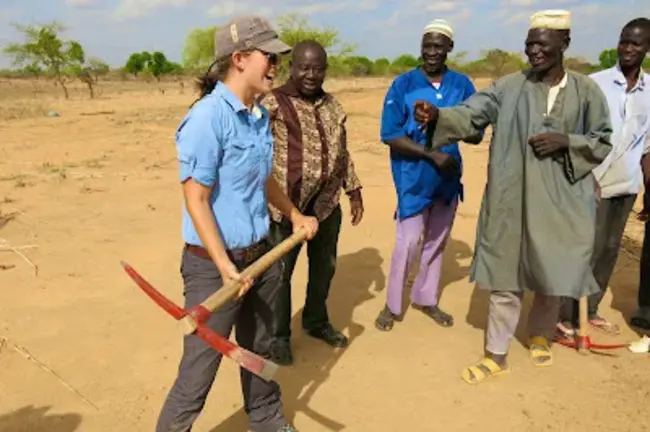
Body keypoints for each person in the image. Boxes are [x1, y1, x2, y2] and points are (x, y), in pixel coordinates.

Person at [413, 9, 613, 384]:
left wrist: (566, 141)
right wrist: (439, 116)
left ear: (564, 44)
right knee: (505, 273)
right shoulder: (508, 87)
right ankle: (497, 352)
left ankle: (541, 332)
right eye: (529, 44)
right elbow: (473, 113)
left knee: (551, 271)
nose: (534, 51)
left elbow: (602, 140)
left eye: (542, 44)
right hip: (512, 197)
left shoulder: (587, 91)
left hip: (561, 200)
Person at [155, 16, 318, 432]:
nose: (276, 65)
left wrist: (295, 214)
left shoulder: (258, 117)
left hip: (260, 259)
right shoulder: (207, 118)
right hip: (214, 269)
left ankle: (266, 420)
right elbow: (196, 197)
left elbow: (263, 179)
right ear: (240, 58)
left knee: (259, 350)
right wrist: (224, 263)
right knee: (200, 367)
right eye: (270, 56)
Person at [258, 40, 364, 365]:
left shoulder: (333, 105)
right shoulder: (271, 103)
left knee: (324, 269)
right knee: (279, 276)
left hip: (326, 207)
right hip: (284, 210)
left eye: (317, 68)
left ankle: (315, 321)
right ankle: (278, 337)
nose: (310, 74)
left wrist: (354, 189)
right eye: (304, 67)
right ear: (292, 68)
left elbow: (341, 151)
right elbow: (253, 153)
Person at [374, 19, 480, 332]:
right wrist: (430, 154)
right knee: (408, 242)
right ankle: (392, 304)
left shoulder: (462, 85)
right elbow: (390, 134)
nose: (432, 52)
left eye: (438, 46)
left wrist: (454, 127)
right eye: (427, 45)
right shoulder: (403, 85)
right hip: (413, 176)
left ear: (449, 48)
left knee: (436, 241)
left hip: (447, 177)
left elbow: (475, 132)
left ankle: (426, 297)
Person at [557, 18, 650, 336]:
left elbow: (647, 145)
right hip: (589, 182)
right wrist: (584, 176)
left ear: (647, 48)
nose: (627, 48)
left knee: (609, 250)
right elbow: (572, 135)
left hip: (626, 184)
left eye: (636, 43)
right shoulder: (593, 84)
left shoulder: (649, 91)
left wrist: (647, 185)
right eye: (624, 40)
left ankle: (590, 309)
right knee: (583, 249)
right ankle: (565, 315)